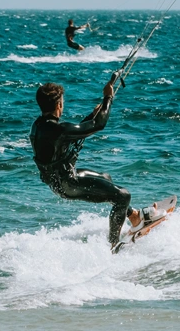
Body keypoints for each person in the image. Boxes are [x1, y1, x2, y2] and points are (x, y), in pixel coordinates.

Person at [29, 80, 144, 248]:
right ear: (59, 105)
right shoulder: (58, 129)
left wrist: (92, 115)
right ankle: (113, 246)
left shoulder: (38, 126)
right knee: (123, 196)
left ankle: (133, 216)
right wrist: (108, 98)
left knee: (106, 178)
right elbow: (99, 125)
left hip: (58, 182)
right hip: (69, 183)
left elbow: (76, 131)